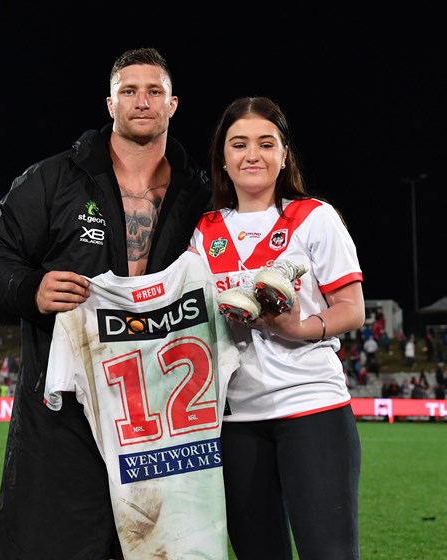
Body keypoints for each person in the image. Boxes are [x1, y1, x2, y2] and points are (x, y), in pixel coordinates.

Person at [0, 47, 212, 559]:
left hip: (160, 423)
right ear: (109, 103)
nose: (141, 101)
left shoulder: (201, 195)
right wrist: (30, 289)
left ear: (174, 105)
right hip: (64, 416)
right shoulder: (53, 179)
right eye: (129, 90)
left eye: (154, 91)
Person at [190, 96, 365, 560]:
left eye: (266, 144)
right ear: (223, 158)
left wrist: (299, 327)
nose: (253, 155)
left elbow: (351, 309)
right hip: (234, 422)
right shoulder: (203, 232)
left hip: (313, 409)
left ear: (284, 154)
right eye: (239, 144)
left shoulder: (314, 216)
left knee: (330, 553)